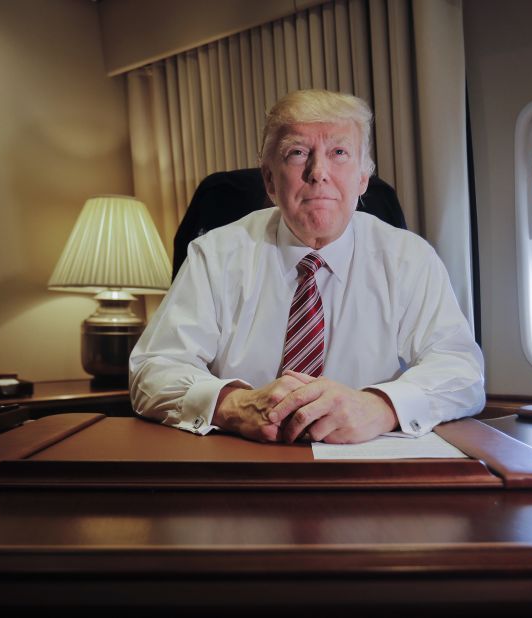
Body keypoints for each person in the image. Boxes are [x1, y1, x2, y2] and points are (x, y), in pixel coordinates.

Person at [129, 89, 484, 444]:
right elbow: (153, 369)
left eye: (339, 153)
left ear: (363, 178)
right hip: (245, 461)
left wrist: (380, 407)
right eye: (298, 153)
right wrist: (233, 404)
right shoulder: (215, 255)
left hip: (364, 467)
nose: (319, 173)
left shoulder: (409, 259)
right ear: (269, 179)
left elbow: (462, 372)